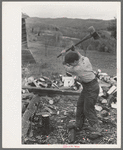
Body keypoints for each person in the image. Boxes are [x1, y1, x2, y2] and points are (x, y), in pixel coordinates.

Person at [61, 48, 102, 137]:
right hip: (88, 86)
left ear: (75, 62)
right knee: (80, 105)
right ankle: (78, 125)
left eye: (71, 63)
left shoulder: (77, 69)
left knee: (88, 109)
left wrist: (63, 55)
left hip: (92, 88)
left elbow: (66, 67)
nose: (70, 64)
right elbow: (79, 55)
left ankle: (97, 129)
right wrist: (74, 50)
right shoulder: (85, 59)